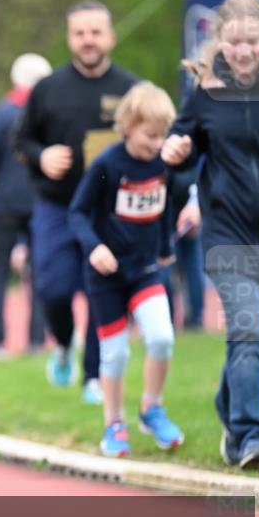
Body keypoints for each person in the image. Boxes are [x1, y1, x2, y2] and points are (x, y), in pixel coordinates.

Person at [162, 0, 259, 470]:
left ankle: (227, 405)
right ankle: (251, 438)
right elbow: (183, 148)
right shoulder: (205, 93)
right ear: (220, 41)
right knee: (247, 332)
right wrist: (176, 151)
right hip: (227, 235)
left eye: (253, 41)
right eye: (234, 41)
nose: (244, 50)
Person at [15, 0, 139, 404]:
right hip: (57, 207)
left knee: (103, 290)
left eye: (96, 32)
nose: (88, 40)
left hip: (109, 210)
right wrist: (41, 156)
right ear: (70, 38)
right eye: (80, 33)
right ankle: (64, 344)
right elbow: (21, 141)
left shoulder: (132, 90)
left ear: (111, 37)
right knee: (53, 290)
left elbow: (150, 142)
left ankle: (94, 377)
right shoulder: (47, 90)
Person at [69, 81, 184, 457]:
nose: (156, 143)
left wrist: (166, 247)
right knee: (115, 354)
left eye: (162, 135)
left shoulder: (163, 163)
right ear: (128, 126)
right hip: (106, 276)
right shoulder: (107, 164)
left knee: (162, 337)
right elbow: (78, 213)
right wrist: (95, 247)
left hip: (146, 270)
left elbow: (164, 205)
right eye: (150, 135)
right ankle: (114, 423)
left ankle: (152, 408)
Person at [0, 52, 51, 354]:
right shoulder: (49, 112)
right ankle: (36, 340)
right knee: (40, 271)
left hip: (6, 200)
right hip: (41, 199)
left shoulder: (1, 112)